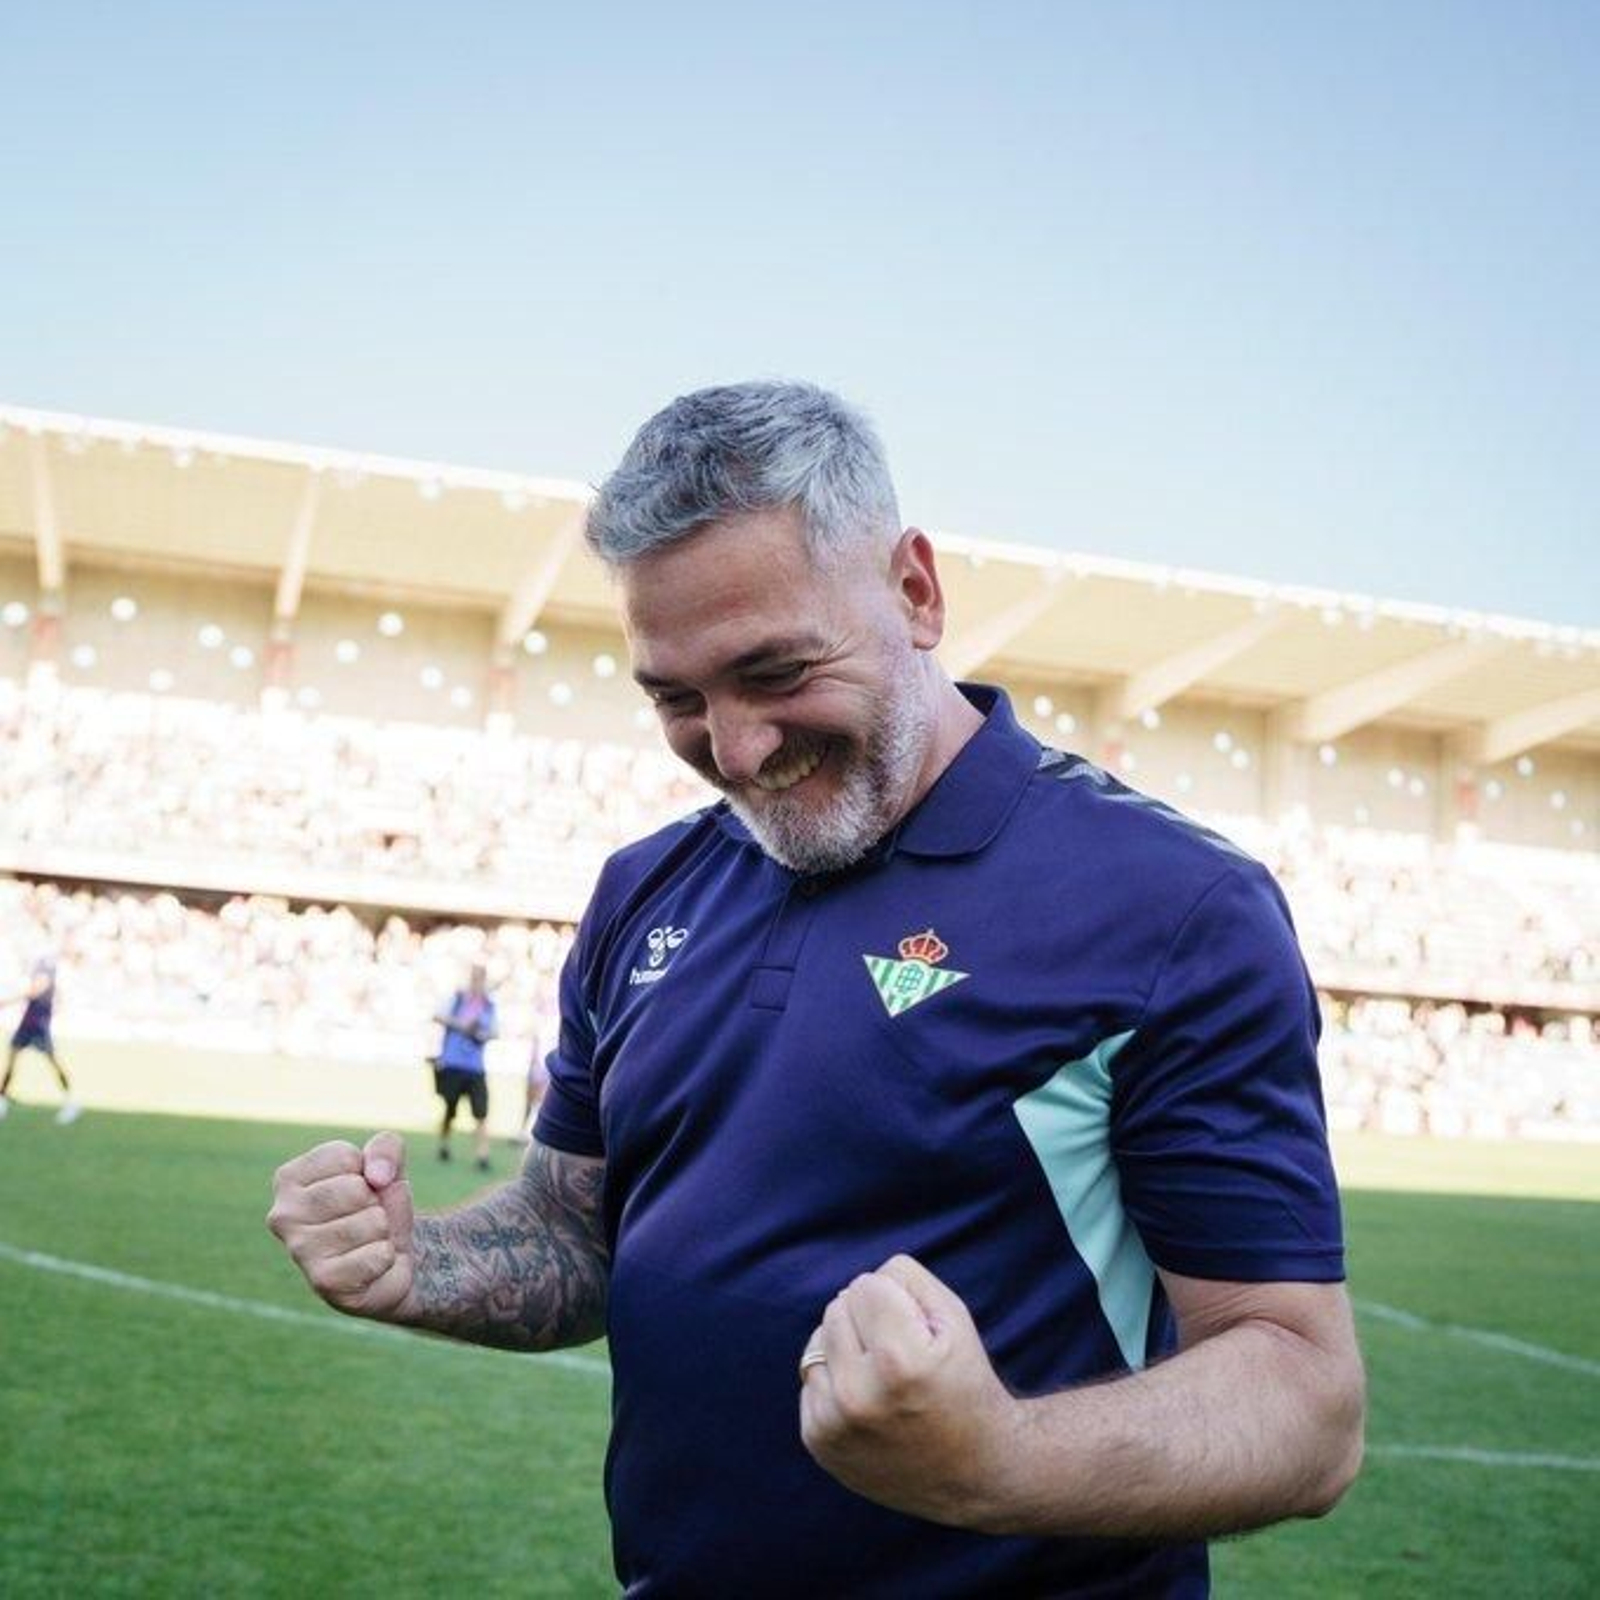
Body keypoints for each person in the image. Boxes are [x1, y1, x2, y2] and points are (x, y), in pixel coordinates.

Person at [269, 381, 1365, 1597]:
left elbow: (1301, 1396)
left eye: (776, 670)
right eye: (675, 698)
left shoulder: (1166, 904)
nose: (733, 751)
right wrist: (422, 1263)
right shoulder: (646, 888)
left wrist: (996, 1459)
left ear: (914, 592)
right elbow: (574, 1229)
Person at [429, 961, 497, 1171]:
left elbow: (494, 1032)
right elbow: (437, 1015)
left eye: (481, 978)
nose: (477, 982)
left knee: (481, 1112)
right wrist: (462, 1025)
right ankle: (444, 1145)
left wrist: (479, 1034)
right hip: (453, 1063)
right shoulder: (457, 999)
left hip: (475, 1067)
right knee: (450, 1109)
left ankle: (482, 1156)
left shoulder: (488, 1005)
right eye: (475, 978)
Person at [1, 957, 81, 1124]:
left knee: (54, 1063)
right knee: (11, 1064)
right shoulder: (43, 984)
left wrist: (6, 1001)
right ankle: (2, 1101)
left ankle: (71, 1101)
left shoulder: (45, 985)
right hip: (25, 1027)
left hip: (39, 1029)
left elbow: (34, 991)